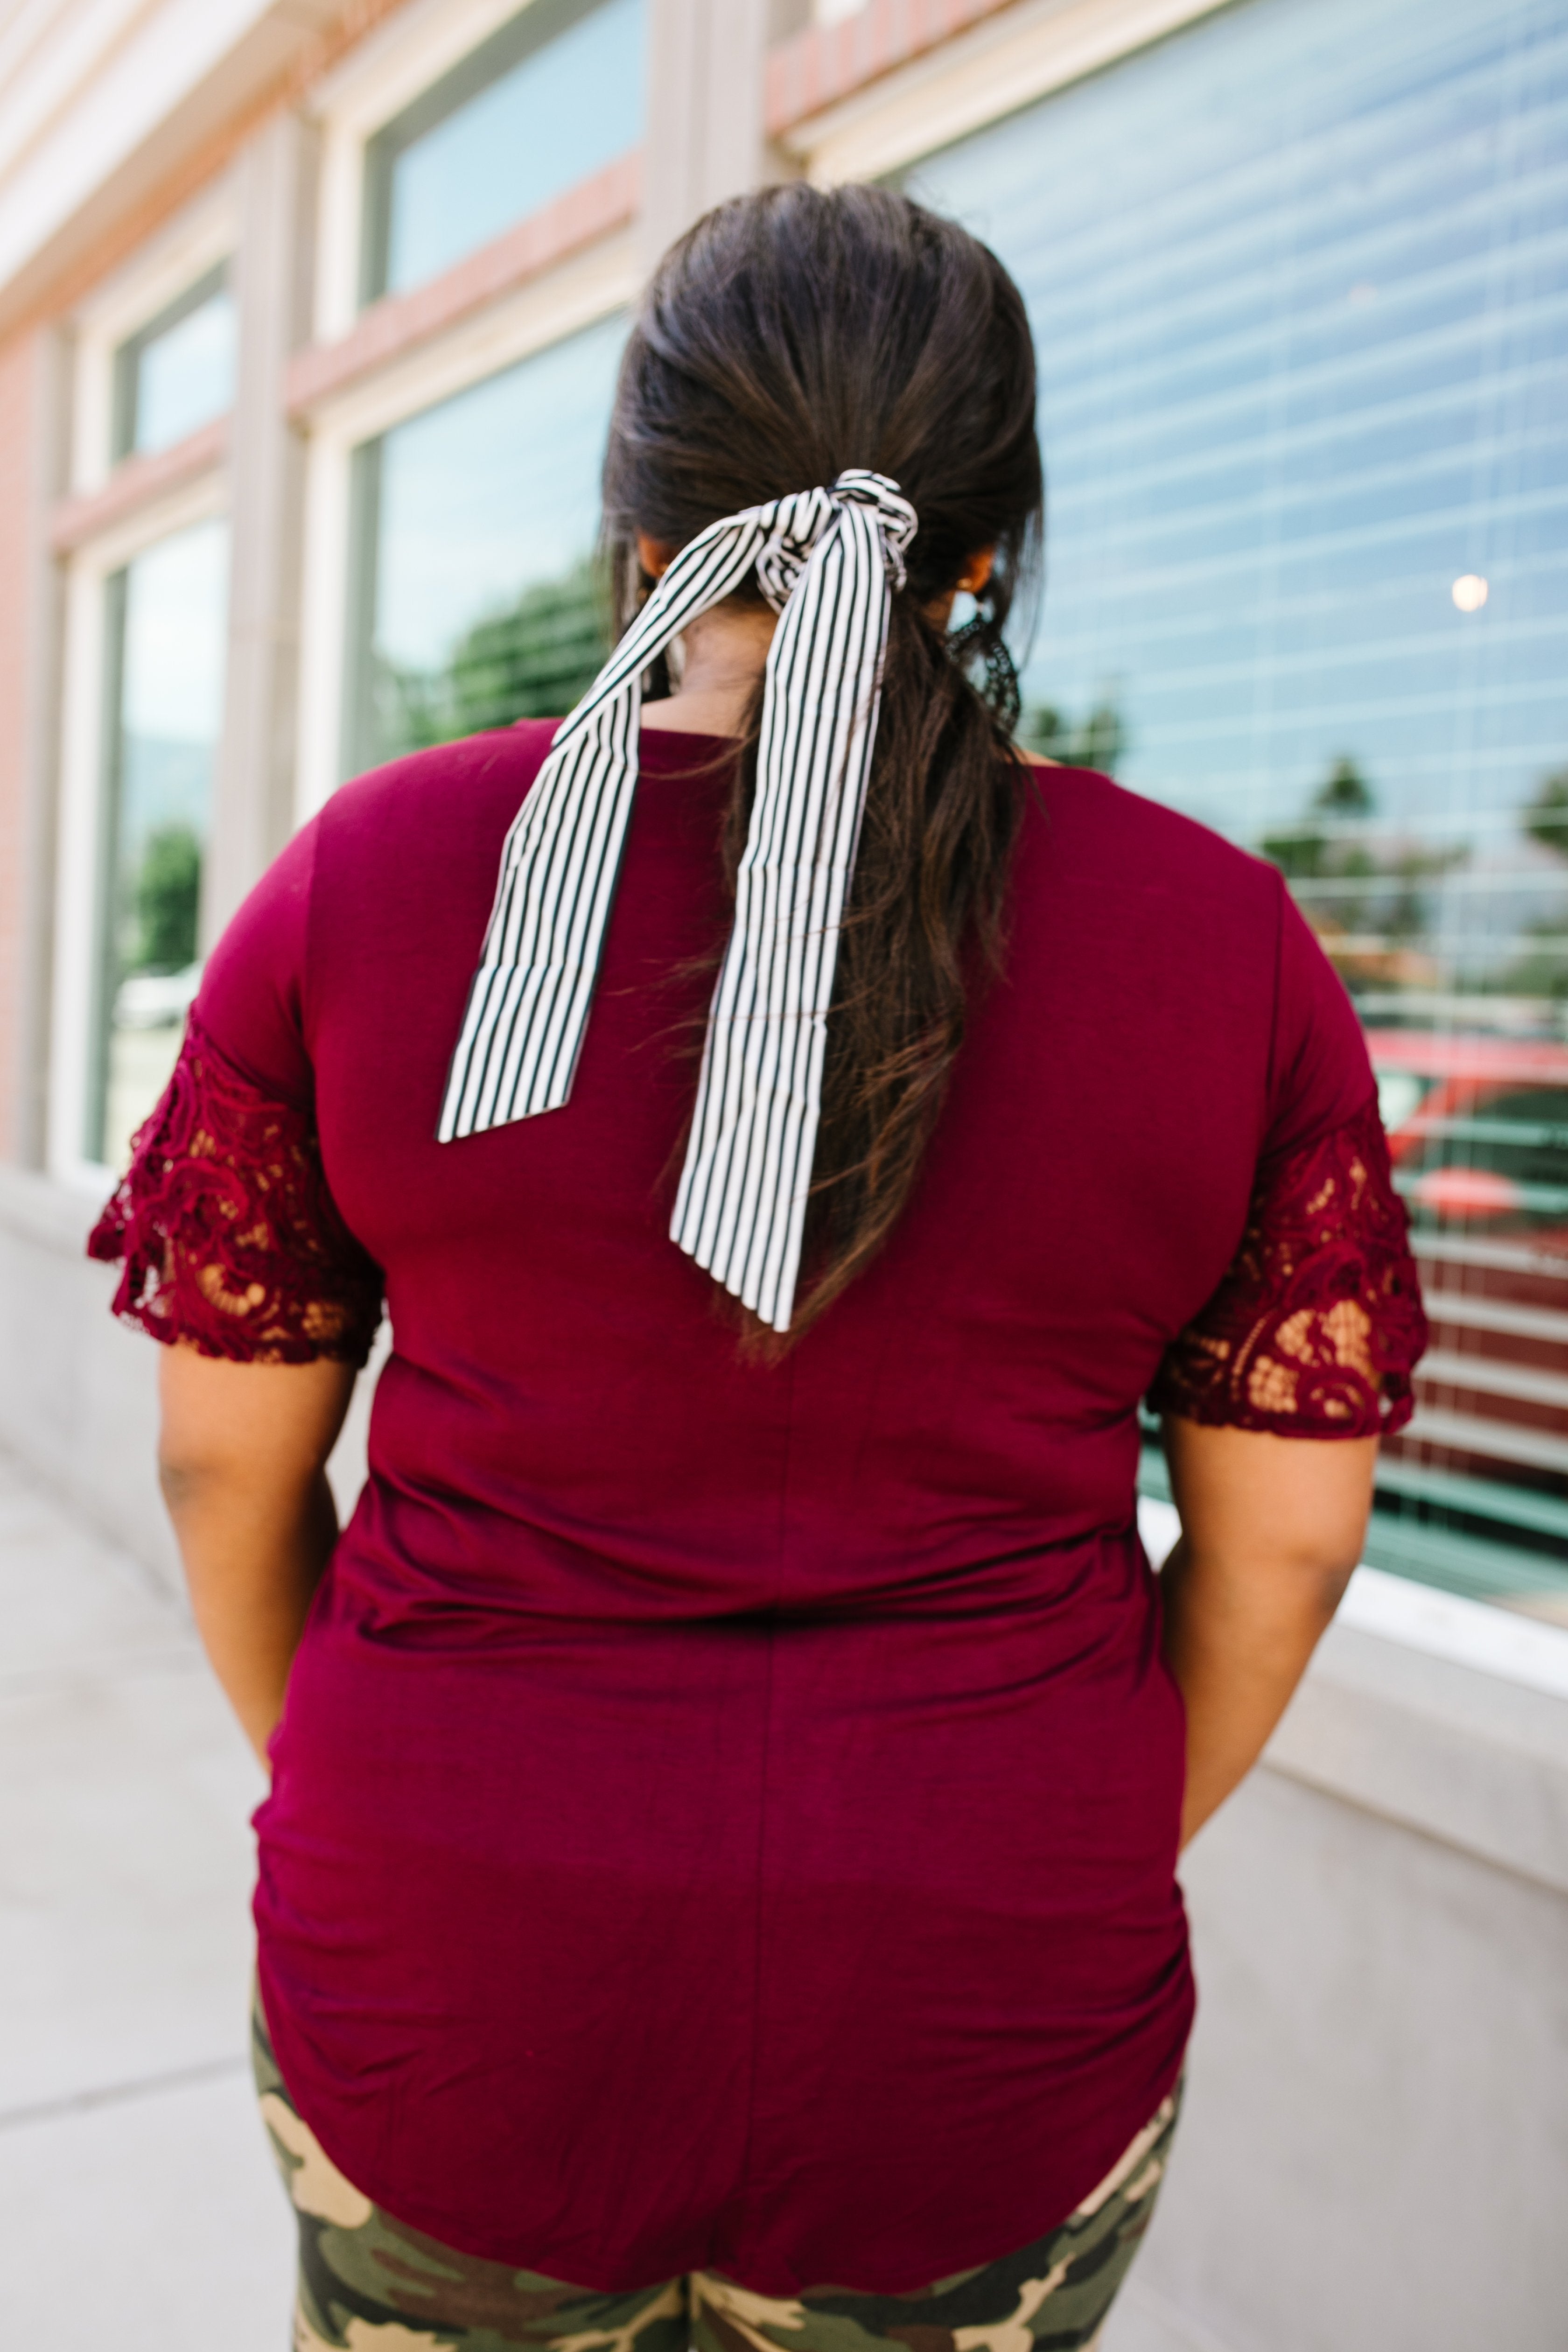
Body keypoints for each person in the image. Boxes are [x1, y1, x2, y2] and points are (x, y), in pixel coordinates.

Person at [91, 185, 1427, 2352]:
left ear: (642, 533)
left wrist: (366, 1774)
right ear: (990, 553)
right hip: (984, 2014)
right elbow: (1280, 1552)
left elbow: (224, 1474)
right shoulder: (1226, 951)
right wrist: (1044, 1833)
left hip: (452, 1970)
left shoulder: (372, 884)